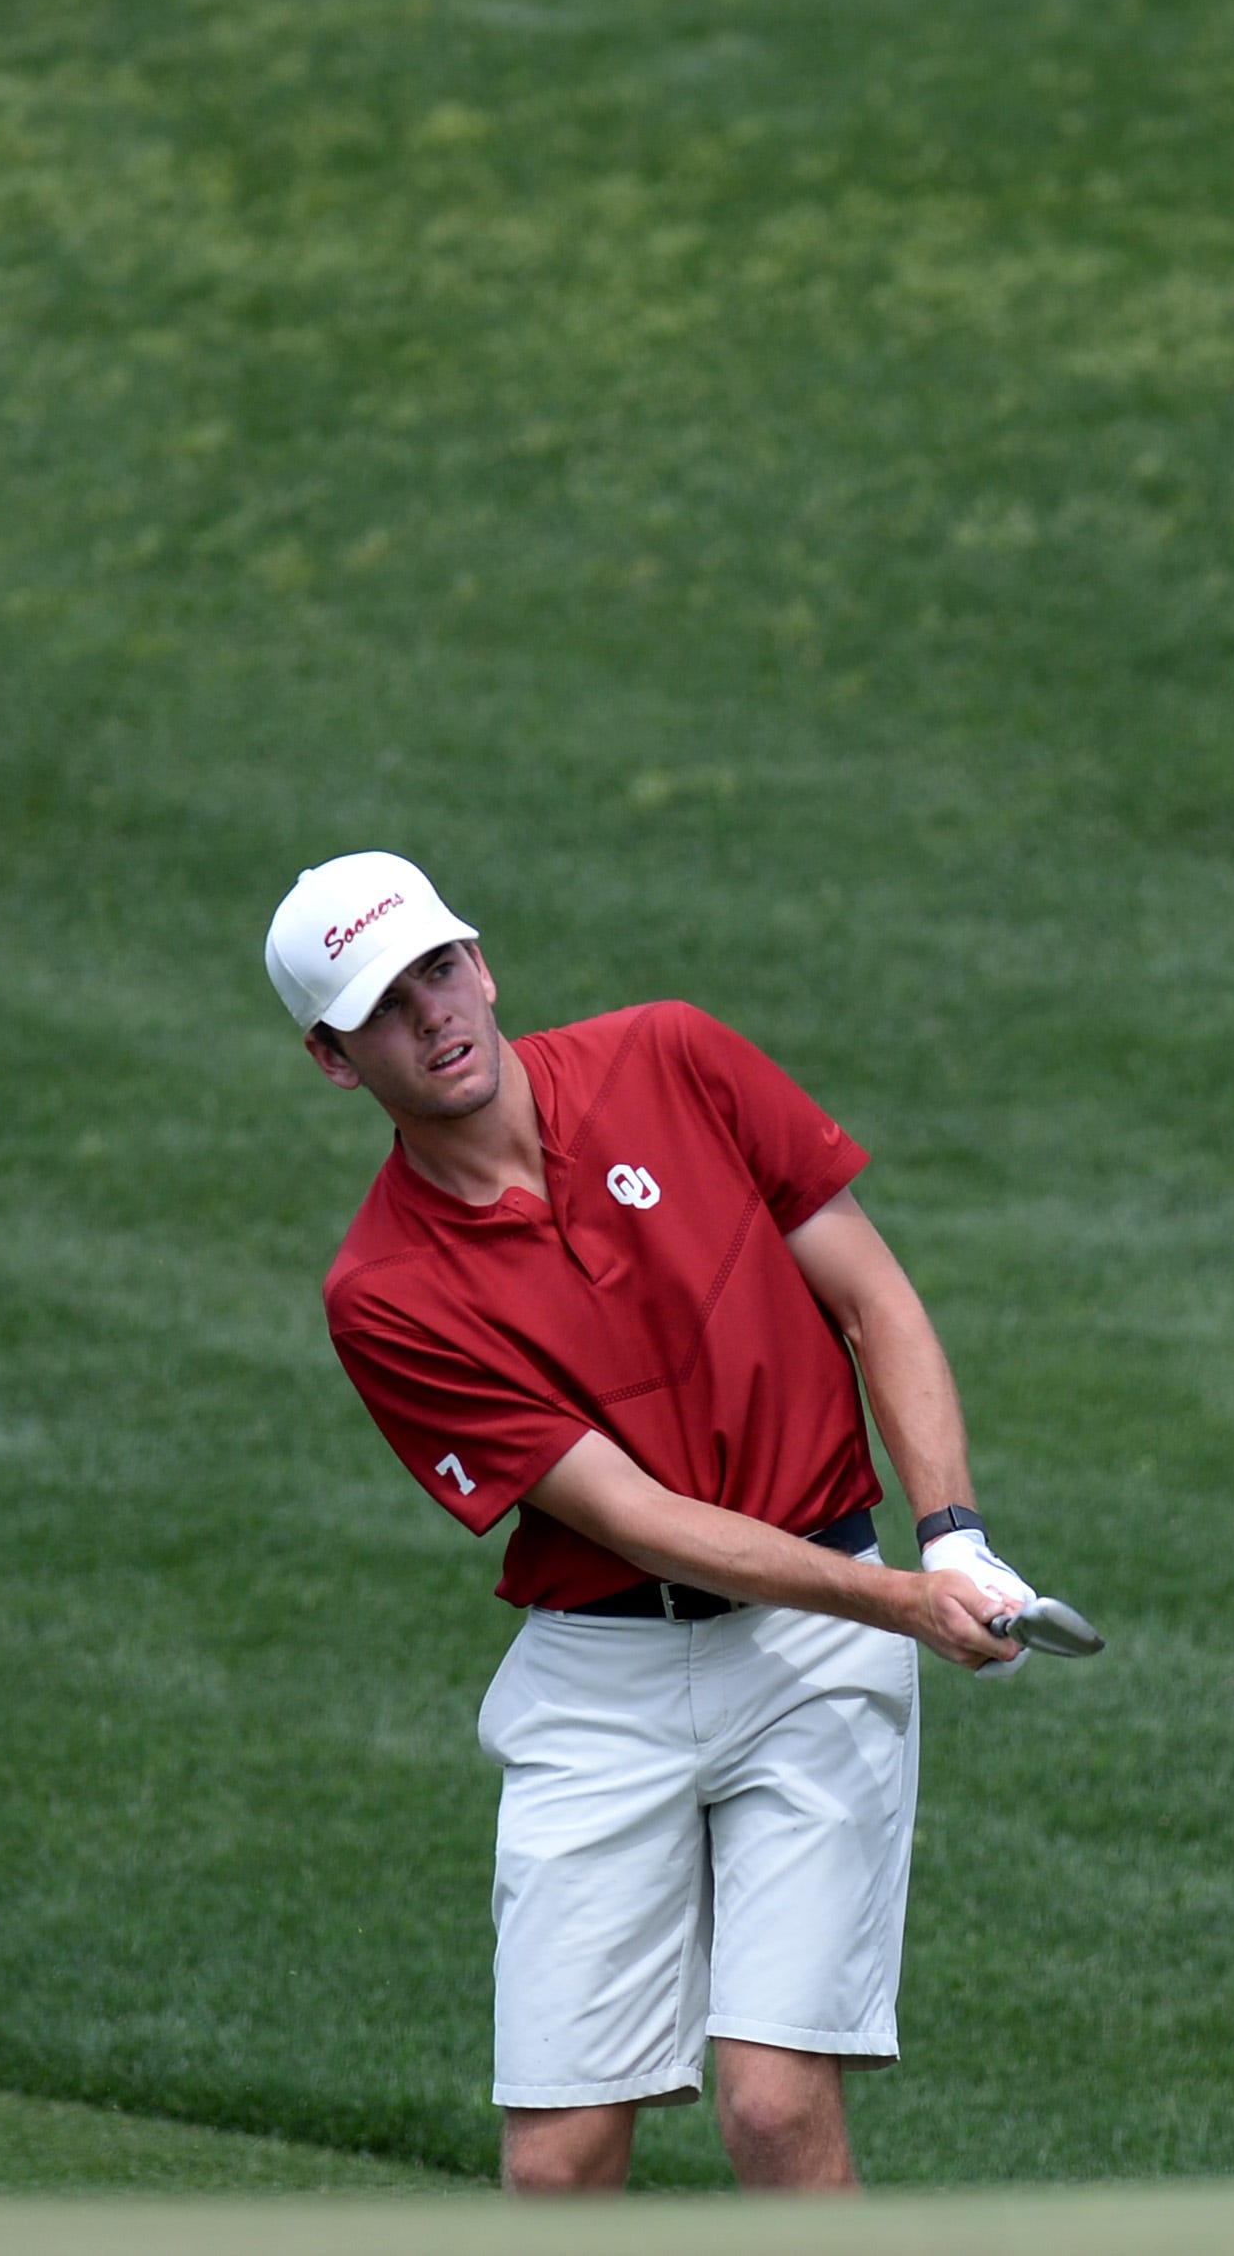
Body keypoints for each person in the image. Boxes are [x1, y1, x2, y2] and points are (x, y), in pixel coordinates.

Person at [264, 849, 1042, 2193]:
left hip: (810, 1659)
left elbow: (876, 1298)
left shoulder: (671, 1057)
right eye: (385, 1004)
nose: (433, 1014)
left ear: (483, 964)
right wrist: (909, 1604)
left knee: (773, 2107)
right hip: (603, 1680)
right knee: (559, 2166)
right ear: (338, 1060)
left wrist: (952, 1532)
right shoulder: (382, 1290)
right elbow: (638, 1517)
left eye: (440, 968)